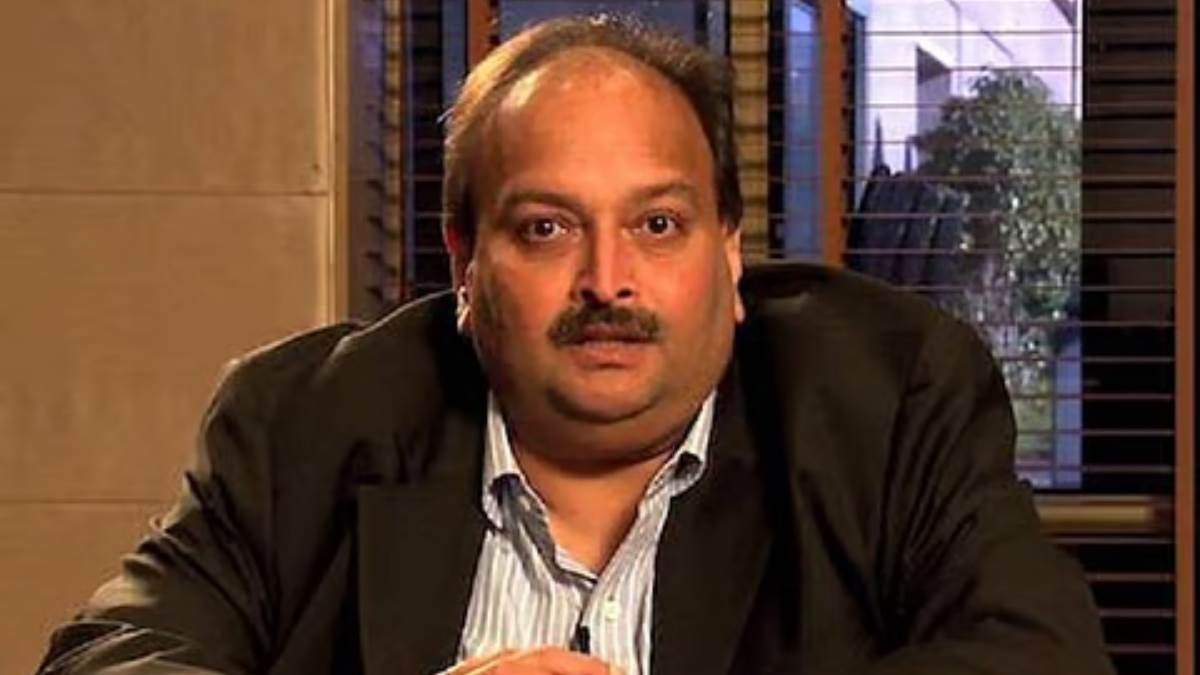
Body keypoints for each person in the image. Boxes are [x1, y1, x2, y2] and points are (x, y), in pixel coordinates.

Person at [39, 15, 1114, 675]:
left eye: (659, 224)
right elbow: (107, 659)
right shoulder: (307, 420)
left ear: (728, 252)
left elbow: (1037, 660)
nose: (608, 281)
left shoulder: (885, 399)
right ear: (466, 263)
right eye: (548, 228)